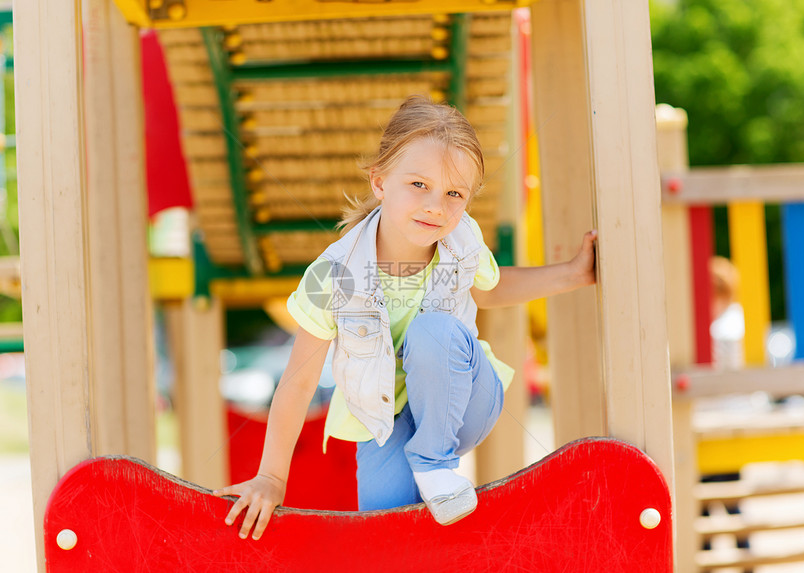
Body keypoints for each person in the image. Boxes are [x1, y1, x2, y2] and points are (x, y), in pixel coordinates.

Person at [213, 95, 597, 539]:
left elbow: (491, 289)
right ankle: (425, 470)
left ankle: (435, 463)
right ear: (379, 181)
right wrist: (272, 478)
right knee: (387, 533)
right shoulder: (335, 275)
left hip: (465, 398)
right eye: (419, 185)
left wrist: (572, 274)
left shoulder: (461, 241)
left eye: (455, 193)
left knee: (432, 331)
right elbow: (298, 381)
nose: (436, 205)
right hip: (385, 422)